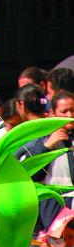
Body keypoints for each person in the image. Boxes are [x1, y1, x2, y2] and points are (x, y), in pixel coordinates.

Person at [17, 91, 74, 230]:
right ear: (53, 113)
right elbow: (29, 173)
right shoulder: (41, 139)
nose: (70, 115)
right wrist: (47, 146)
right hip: (53, 211)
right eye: (64, 111)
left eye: (72, 110)